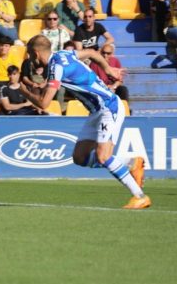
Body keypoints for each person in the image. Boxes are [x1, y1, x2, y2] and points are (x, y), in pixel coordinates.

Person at [20, 35, 150, 209]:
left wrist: (25, 92)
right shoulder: (63, 54)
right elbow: (91, 52)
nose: (29, 58)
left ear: (36, 53)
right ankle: (131, 162)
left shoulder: (56, 66)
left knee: (103, 156)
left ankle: (140, 196)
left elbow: (44, 103)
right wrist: (108, 68)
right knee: (80, 158)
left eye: (29, 54)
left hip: (108, 106)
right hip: (97, 111)